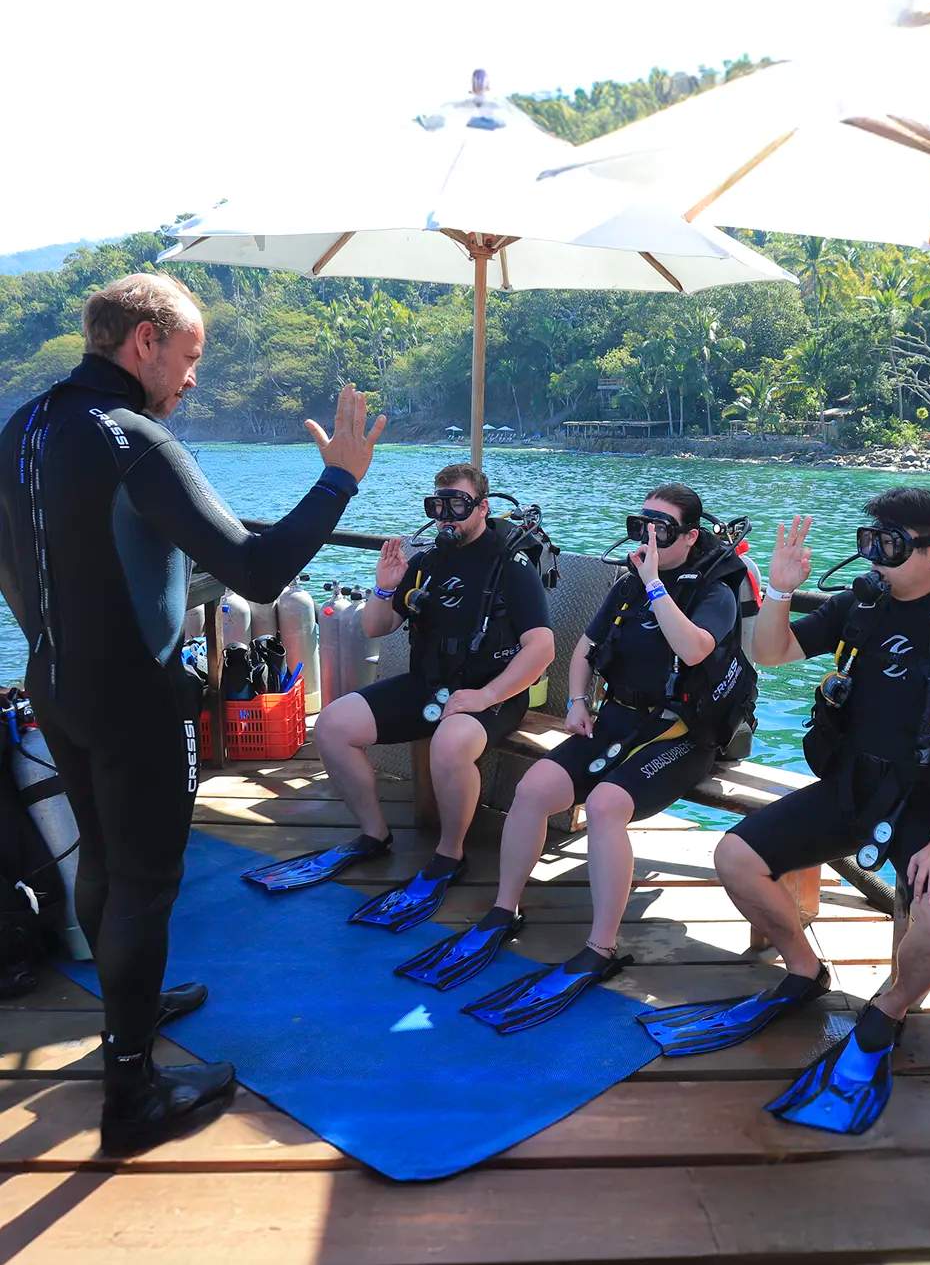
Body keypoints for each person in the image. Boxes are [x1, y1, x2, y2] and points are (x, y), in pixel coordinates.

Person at [0, 273, 385, 1154]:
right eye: (189, 356)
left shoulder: (21, 428)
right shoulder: (134, 439)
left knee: (103, 857)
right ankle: (130, 1091)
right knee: (147, 882)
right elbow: (257, 570)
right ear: (143, 342)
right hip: (135, 698)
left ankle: (126, 999)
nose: (193, 378)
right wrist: (338, 482)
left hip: (55, 683)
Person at [641, 486, 930, 1137]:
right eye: (868, 541)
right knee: (734, 856)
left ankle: (892, 1006)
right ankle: (806, 969)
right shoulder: (866, 602)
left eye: (890, 546)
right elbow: (772, 651)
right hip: (853, 788)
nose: (873, 557)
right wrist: (782, 589)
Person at [399, 483, 754, 1028]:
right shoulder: (629, 584)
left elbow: (695, 649)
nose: (649, 536)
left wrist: (657, 585)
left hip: (682, 732)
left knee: (608, 803)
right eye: (643, 523)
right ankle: (504, 908)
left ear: (691, 535)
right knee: (533, 789)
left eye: (663, 527)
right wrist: (578, 701)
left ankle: (600, 946)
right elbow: (587, 649)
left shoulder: (713, 592)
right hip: (615, 719)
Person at [313, 462, 555, 930]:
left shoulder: (511, 563)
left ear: (483, 508)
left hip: (494, 693)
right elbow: (375, 627)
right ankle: (374, 834)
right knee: (333, 726)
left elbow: (541, 648)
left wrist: (485, 696)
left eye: (458, 506)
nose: (447, 516)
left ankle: (451, 852)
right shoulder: (426, 562)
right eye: (437, 506)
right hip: (429, 687)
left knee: (449, 742)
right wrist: (384, 586)